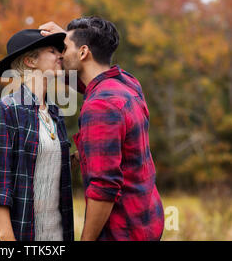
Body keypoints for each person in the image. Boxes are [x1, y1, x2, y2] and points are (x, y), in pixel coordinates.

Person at [39, 17, 164, 241]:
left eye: (64, 48)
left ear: (84, 52)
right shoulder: (127, 83)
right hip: (146, 220)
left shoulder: (100, 105)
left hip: (122, 231)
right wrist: (69, 39)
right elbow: (86, 79)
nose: (59, 54)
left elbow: (103, 188)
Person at [0, 29, 74, 241]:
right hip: (20, 235)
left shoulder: (55, 113)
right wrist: (7, 239)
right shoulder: (5, 110)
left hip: (56, 235)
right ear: (31, 61)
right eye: (52, 50)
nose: (60, 55)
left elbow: (45, 165)